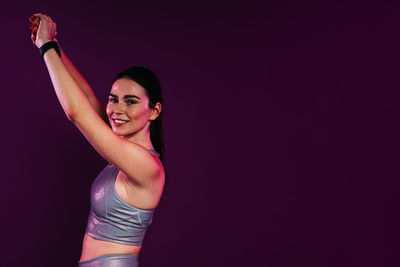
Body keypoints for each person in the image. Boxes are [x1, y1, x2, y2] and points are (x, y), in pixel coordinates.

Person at [29, 13, 166, 267]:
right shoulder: (124, 149)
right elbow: (88, 99)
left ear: (155, 111)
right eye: (114, 99)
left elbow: (77, 112)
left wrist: (46, 48)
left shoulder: (146, 165)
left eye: (131, 102)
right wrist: (55, 45)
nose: (117, 110)